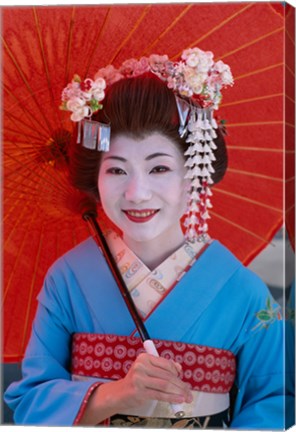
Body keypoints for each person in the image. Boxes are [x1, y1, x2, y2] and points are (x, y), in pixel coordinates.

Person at [4, 48, 294, 428]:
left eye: (158, 167)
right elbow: (30, 402)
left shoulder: (242, 290)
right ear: (96, 180)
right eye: (117, 170)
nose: (137, 193)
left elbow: (277, 401)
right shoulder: (68, 279)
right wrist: (115, 394)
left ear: (195, 175)